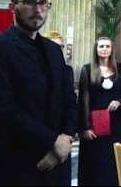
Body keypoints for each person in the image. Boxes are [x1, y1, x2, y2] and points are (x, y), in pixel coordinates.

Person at [0, 0, 77, 185]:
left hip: (57, 163)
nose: (38, 9)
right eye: (30, 2)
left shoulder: (54, 50)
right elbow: (1, 111)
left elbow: (68, 98)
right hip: (16, 163)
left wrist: (66, 137)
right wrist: (52, 142)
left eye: (43, 3)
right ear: (13, 7)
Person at [78, 37, 121, 186]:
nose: (104, 49)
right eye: (101, 46)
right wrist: (86, 127)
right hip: (95, 124)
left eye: (107, 46)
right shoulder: (87, 70)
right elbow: (84, 99)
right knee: (96, 161)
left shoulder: (120, 69)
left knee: (114, 161)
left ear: (111, 49)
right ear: (96, 49)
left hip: (116, 124)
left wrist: (119, 101)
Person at [44, 30, 76, 185]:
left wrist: (67, 136)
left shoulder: (66, 70)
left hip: (63, 139)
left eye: (61, 47)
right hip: (43, 140)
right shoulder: (36, 69)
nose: (58, 51)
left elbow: (71, 103)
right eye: (55, 47)